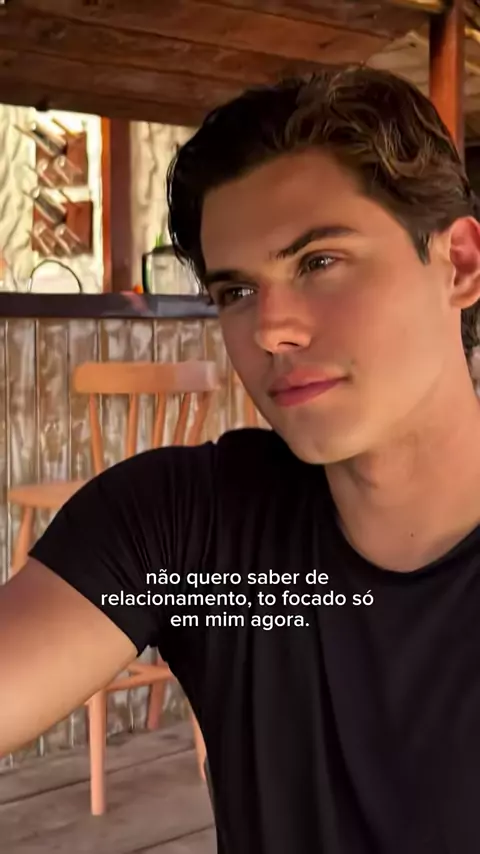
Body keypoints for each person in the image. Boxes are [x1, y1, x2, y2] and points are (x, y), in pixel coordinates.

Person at [1, 65, 480, 854]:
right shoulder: (200, 537)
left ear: (457, 264)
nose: (270, 330)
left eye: (319, 261)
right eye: (236, 293)